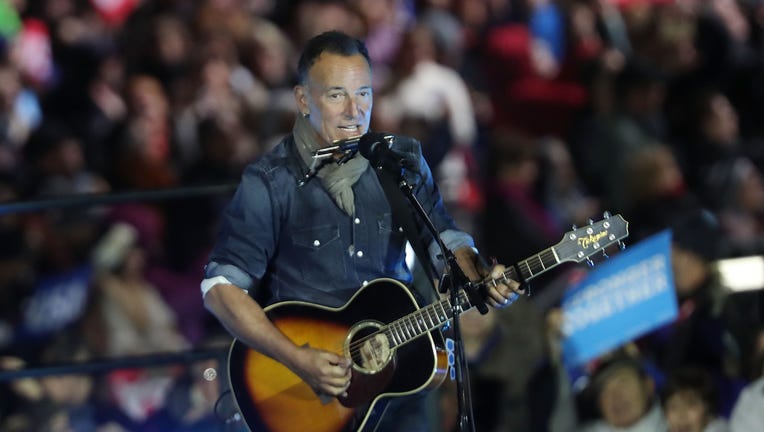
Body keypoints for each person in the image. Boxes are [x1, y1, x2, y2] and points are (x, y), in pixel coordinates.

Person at [200, 30, 523, 432]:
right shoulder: (270, 181)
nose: (355, 111)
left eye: (364, 94)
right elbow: (220, 288)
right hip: (309, 391)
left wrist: (478, 276)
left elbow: (445, 238)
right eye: (337, 95)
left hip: (403, 377)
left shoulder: (399, 161)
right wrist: (297, 358)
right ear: (303, 100)